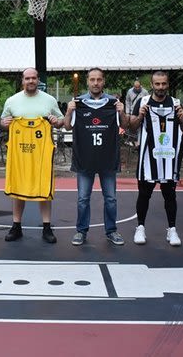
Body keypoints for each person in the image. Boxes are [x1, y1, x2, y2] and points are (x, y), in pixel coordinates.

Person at [63, 68, 126, 246]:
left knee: (111, 199)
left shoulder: (113, 103)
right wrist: (68, 111)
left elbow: (125, 125)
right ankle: (81, 231)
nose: (96, 83)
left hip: (107, 159)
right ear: (87, 82)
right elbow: (67, 126)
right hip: (85, 159)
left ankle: (111, 231)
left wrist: (122, 112)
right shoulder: (78, 103)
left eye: (99, 79)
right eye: (92, 79)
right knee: (83, 198)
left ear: (103, 81)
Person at [0, 67, 64, 243]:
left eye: (33, 78)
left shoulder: (49, 100)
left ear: (38, 80)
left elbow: (61, 121)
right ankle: (16, 226)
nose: (30, 81)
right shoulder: (12, 101)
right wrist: (4, 123)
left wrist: (56, 121)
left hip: (41, 155)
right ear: (22, 81)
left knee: (44, 189)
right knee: (18, 188)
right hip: (20, 154)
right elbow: (3, 122)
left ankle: (47, 227)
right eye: (27, 78)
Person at [128, 71, 183, 247]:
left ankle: (172, 229)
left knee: (170, 195)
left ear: (168, 84)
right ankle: (140, 227)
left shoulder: (175, 103)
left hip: (169, 158)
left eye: (164, 83)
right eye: (157, 84)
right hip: (148, 157)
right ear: (152, 85)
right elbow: (132, 127)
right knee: (144, 194)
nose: (161, 87)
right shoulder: (143, 102)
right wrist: (140, 116)